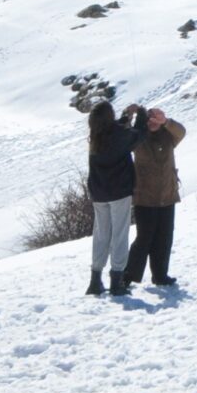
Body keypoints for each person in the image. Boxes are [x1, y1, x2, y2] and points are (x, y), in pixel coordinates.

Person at [123, 105, 186, 287]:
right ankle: (128, 276)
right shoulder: (138, 137)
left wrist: (165, 121)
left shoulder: (169, 135)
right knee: (144, 238)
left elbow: (181, 131)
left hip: (167, 194)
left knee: (164, 238)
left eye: (155, 118)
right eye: (149, 119)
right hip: (145, 197)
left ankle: (160, 275)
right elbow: (123, 135)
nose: (152, 122)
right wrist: (129, 114)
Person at [86, 102, 141, 297]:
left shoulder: (96, 136)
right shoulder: (117, 135)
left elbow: (117, 130)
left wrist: (127, 115)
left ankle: (95, 279)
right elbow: (136, 136)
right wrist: (140, 115)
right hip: (119, 192)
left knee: (101, 235)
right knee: (119, 235)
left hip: (99, 193)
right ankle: (117, 279)